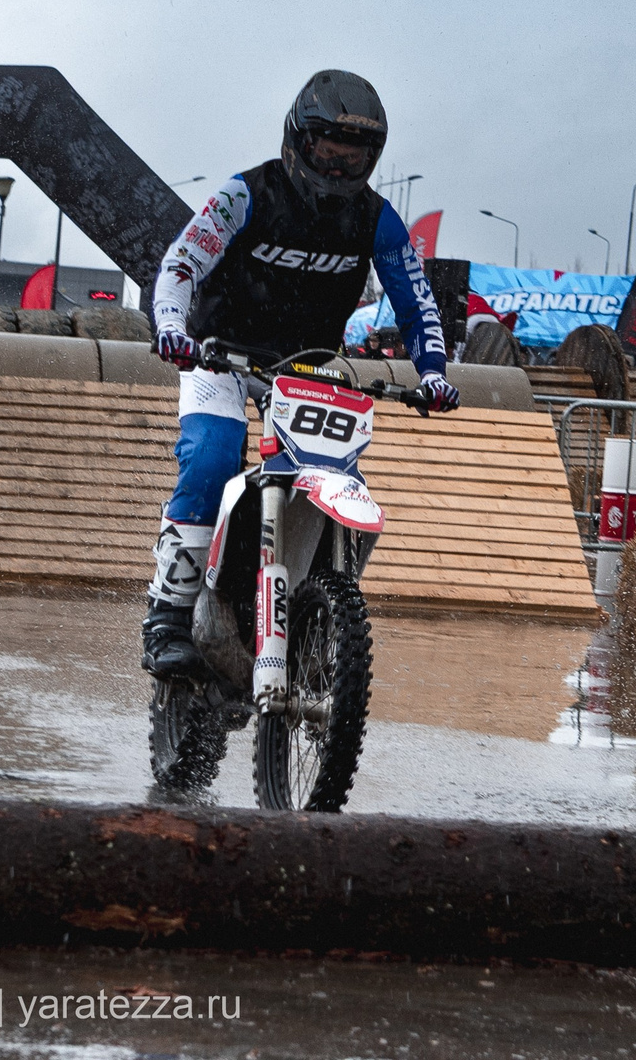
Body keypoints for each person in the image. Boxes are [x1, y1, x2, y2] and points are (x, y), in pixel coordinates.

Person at [141, 70, 460, 678]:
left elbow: (416, 301)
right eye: (328, 150)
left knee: (334, 480)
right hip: (219, 355)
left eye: (353, 156)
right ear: (299, 139)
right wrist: (172, 326)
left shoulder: (379, 218)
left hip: (305, 368)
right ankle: (169, 616)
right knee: (210, 457)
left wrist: (434, 372)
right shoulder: (245, 193)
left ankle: (312, 614)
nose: (338, 166)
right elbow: (182, 262)